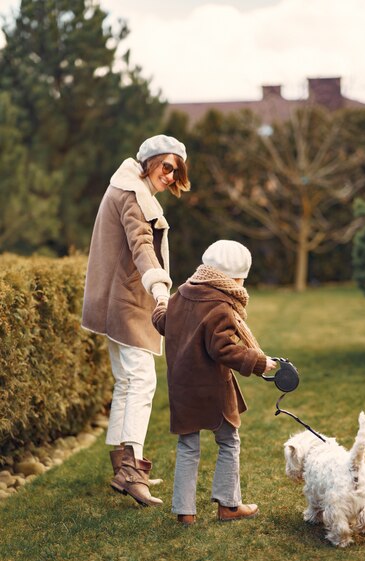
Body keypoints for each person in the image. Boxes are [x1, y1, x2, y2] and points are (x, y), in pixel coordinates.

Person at [82, 134, 190, 507]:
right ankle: (130, 470)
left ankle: (124, 465)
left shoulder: (128, 187)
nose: (171, 176)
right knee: (140, 380)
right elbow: (142, 245)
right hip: (126, 302)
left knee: (129, 381)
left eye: (177, 171)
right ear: (149, 162)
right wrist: (161, 290)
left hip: (118, 299)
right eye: (167, 167)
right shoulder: (132, 194)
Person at [152, 240, 277, 525]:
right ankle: (228, 505)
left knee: (187, 447)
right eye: (241, 279)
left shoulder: (181, 294)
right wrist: (258, 362)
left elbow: (163, 322)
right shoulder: (220, 306)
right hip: (212, 390)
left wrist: (160, 304)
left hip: (182, 389)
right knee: (229, 441)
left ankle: (185, 513)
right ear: (232, 277)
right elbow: (222, 349)